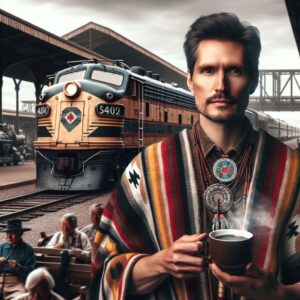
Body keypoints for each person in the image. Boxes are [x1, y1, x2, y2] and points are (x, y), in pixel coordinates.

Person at [97, 12, 300, 300]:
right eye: (208, 70)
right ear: (190, 81)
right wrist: (160, 262)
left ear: (253, 81)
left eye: (234, 70)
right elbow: (102, 269)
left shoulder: (292, 170)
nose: (220, 85)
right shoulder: (145, 169)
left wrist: (278, 293)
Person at [0, 219, 36, 300]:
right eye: (7, 233)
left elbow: (32, 272)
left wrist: (19, 267)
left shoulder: (27, 249)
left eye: (12, 233)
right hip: (0, 281)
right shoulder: (1, 247)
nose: (9, 236)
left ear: (20, 233)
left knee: (21, 298)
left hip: (16, 284)